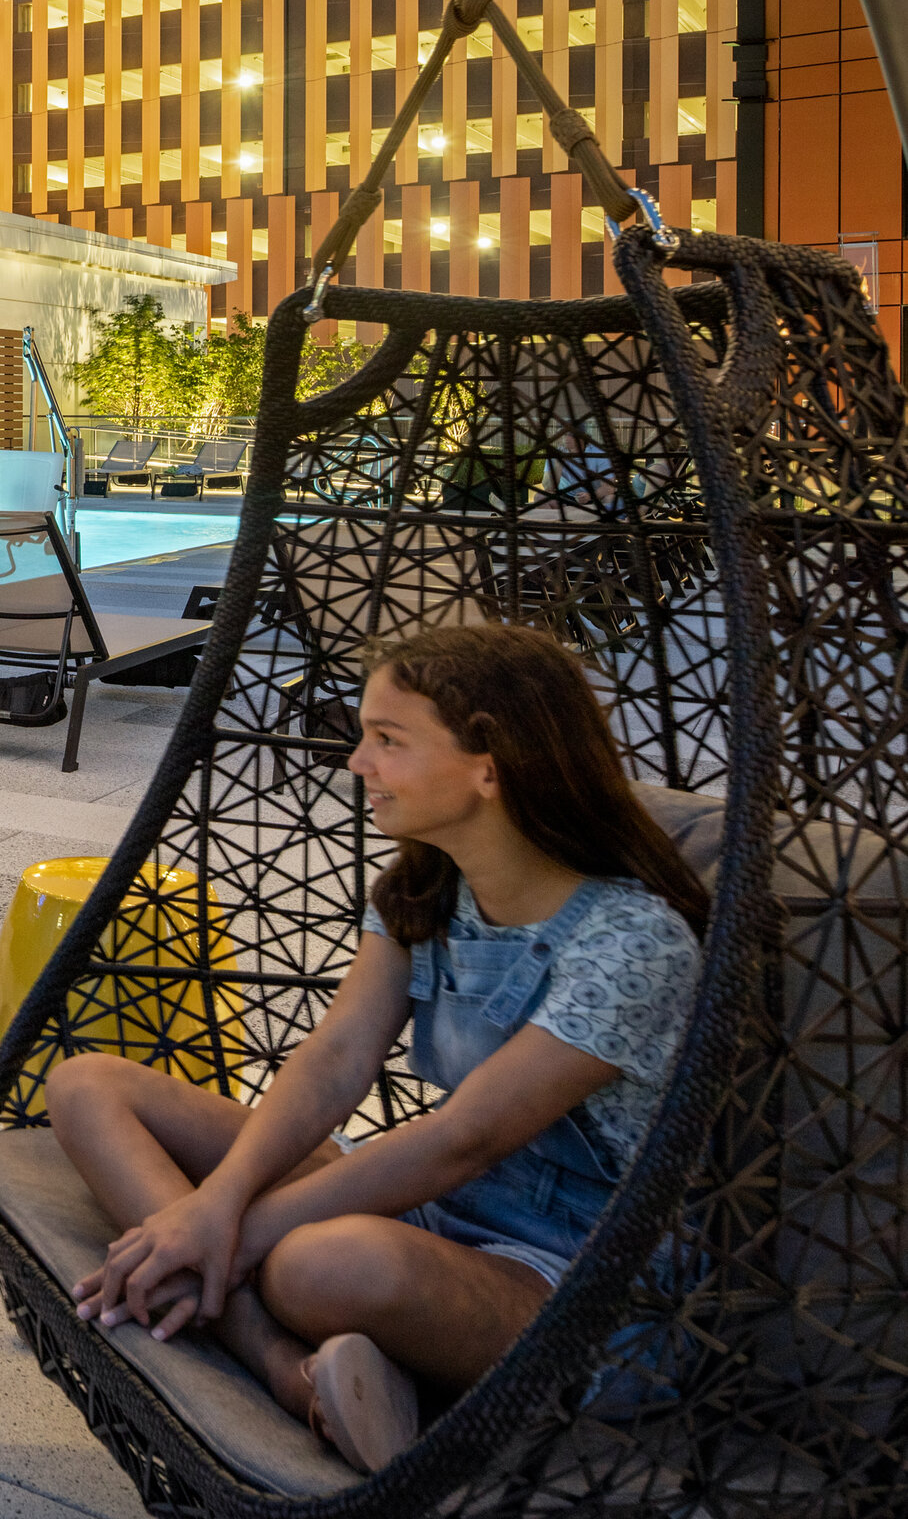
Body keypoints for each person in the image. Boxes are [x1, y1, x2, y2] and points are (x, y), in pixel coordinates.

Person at [44, 622, 706, 1472]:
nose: (356, 762)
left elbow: (466, 1137)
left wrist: (232, 1234)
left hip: (579, 1278)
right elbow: (337, 1058)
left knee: (318, 1264)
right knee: (90, 1084)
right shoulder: (426, 887)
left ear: (490, 766)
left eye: (387, 740)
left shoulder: (633, 942)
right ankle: (288, 1370)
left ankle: (276, 1320)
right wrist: (216, 1203)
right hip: (436, 1212)